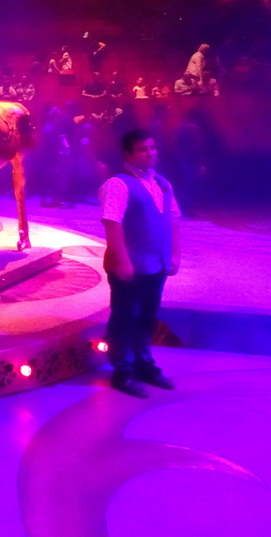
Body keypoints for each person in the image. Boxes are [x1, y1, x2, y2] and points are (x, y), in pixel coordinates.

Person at [99, 129, 181, 398]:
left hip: (155, 266)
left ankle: (145, 365)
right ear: (128, 154)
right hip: (129, 268)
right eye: (143, 150)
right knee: (125, 318)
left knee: (146, 317)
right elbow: (113, 224)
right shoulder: (118, 184)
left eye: (153, 148)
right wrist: (122, 261)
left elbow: (172, 220)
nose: (150, 154)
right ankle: (123, 371)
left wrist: (175, 254)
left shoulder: (162, 184)